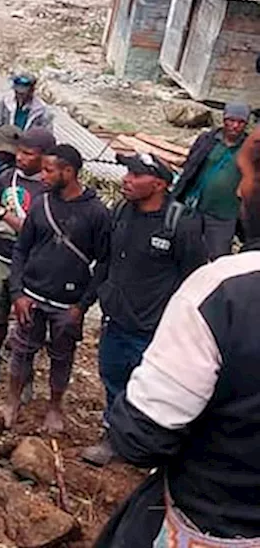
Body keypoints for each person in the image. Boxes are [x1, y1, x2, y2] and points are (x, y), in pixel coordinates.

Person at [97, 130, 260, 546]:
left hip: (212, 523)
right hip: (121, 322)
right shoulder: (122, 213)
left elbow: (141, 438)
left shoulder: (222, 290)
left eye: (244, 176)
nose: (239, 192)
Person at [80, 153, 206, 466]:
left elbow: (195, 279)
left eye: (137, 175)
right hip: (117, 318)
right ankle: (113, 436)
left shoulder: (181, 224)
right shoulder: (122, 210)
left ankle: (149, 449)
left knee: (152, 391)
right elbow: (106, 261)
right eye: (128, 173)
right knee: (113, 379)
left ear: (160, 184)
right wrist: (88, 302)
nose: (126, 180)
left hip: (154, 329)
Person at [2, 144, 111, 435]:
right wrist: (18, 293)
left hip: (68, 302)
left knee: (62, 356)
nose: (43, 175)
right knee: (22, 350)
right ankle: (13, 400)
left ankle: (54, 406)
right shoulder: (40, 204)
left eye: (49, 170)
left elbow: (103, 264)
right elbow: (21, 249)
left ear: (69, 172)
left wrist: (82, 306)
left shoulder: (96, 213)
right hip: (32, 295)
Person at [0, 127, 55, 382]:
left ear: (44, 157)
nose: (20, 158)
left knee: (28, 318)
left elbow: (43, 230)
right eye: (19, 152)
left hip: (32, 263)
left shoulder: (48, 187)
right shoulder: (7, 177)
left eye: (29, 154)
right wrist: (21, 226)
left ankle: (24, 375)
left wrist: (6, 216)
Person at [174, 101, 250, 259]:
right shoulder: (207, 139)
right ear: (224, 119)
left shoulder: (251, 149)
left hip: (225, 213)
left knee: (218, 256)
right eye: (231, 120)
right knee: (185, 249)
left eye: (241, 122)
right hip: (195, 206)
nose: (235, 126)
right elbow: (191, 166)